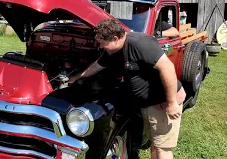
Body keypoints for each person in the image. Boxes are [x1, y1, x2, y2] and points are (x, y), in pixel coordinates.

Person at [68, 19, 186, 159]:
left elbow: (168, 68)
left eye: (102, 43)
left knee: (163, 148)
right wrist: (76, 77)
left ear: (116, 38)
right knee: (155, 143)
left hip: (162, 102)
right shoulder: (114, 49)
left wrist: (171, 103)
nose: (101, 47)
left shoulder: (140, 44)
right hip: (148, 103)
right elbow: (98, 65)